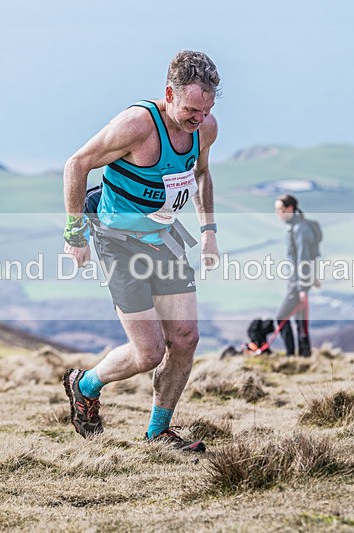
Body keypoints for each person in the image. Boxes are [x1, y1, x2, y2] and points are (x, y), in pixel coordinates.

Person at [60, 50, 220, 452]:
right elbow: (76, 164)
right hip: (117, 242)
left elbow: (200, 174)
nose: (198, 119)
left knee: (185, 338)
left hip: (164, 240)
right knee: (148, 352)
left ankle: (158, 433)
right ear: (170, 92)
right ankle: (86, 385)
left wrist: (209, 231)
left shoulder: (205, 129)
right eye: (191, 110)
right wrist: (74, 233)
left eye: (206, 110)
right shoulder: (137, 126)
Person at [274, 194, 322, 357]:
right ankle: (304, 354)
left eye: (280, 209)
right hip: (298, 281)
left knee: (281, 317)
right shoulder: (295, 227)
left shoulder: (299, 229)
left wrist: (302, 287)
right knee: (299, 319)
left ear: (290, 208)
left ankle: (290, 355)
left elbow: (304, 258)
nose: (278, 213)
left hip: (298, 283)